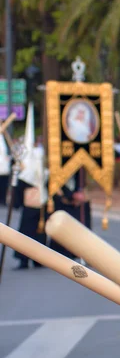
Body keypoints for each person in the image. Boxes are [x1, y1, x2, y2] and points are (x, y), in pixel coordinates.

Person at [14, 104, 47, 269]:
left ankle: (37, 259)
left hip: (37, 200)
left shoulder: (38, 157)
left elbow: (36, 177)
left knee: (36, 231)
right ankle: (26, 259)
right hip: (31, 200)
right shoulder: (29, 158)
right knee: (27, 231)